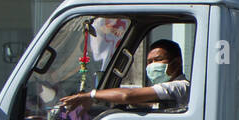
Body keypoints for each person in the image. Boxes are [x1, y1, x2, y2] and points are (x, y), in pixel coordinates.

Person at [60, 39, 189, 113]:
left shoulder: (180, 87)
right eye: (149, 62)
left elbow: (127, 95)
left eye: (158, 60)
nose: (152, 66)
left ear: (177, 63)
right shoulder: (166, 88)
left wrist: (90, 95)